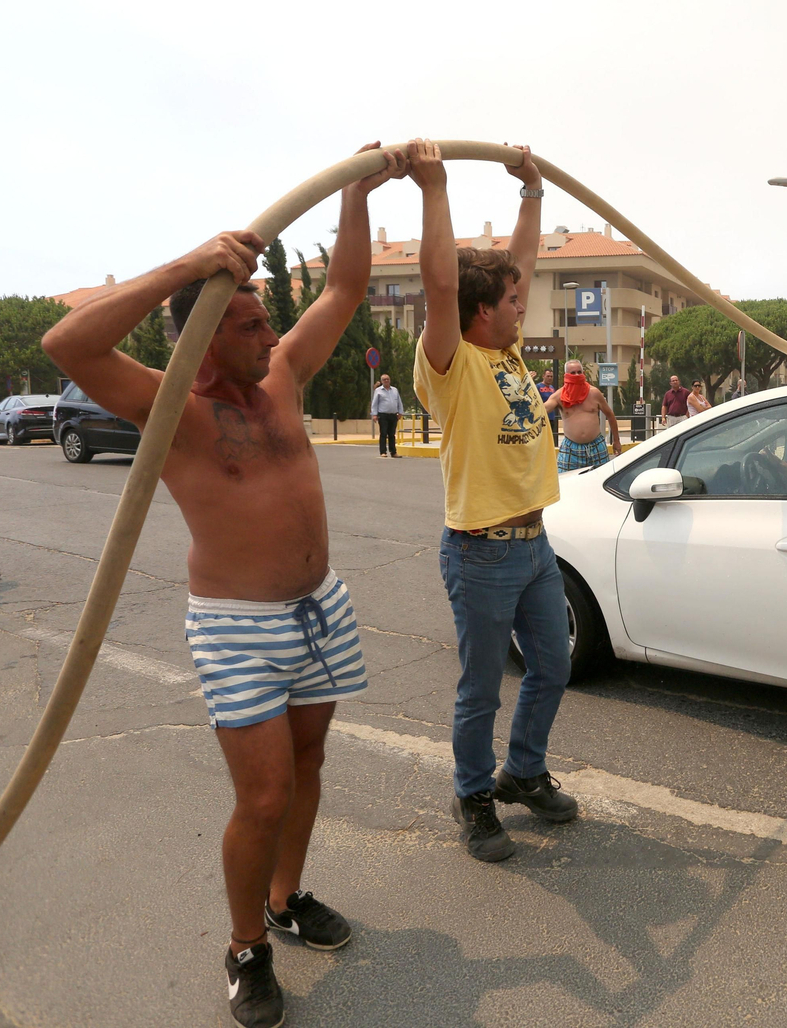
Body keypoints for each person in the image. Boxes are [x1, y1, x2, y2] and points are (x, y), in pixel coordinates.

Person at [40, 143, 405, 1028]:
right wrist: (191, 263)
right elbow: (66, 341)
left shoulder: (280, 376)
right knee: (264, 794)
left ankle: (286, 895)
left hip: (321, 611)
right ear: (203, 330)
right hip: (238, 626)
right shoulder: (170, 405)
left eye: (264, 321)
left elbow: (345, 291)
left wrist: (355, 194)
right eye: (246, 324)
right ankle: (247, 947)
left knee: (310, 763)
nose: (269, 336)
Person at [407, 138, 578, 867]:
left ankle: (524, 771)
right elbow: (441, 284)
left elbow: (523, 263)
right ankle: (473, 794)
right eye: (511, 301)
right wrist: (434, 186)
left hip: (534, 549)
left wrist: (532, 190)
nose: (523, 306)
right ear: (481, 312)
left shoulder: (505, 350)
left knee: (553, 666)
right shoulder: (452, 359)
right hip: (480, 552)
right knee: (481, 690)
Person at [544, 359, 622, 471]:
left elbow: (610, 415)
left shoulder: (594, 393)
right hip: (570, 448)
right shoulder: (558, 396)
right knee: (565, 482)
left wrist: (617, 440)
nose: (577, 375)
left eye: (579, 372)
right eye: (573, 373)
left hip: (596, 445)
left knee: (601, 480)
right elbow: (543, 410)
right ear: (566, 376)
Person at [371, 373, 403, 457]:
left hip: (393, 415)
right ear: (382, 381)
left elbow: (399, 401)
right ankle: (383, 452)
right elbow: (374, 403)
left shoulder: (395, 390)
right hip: (383, 415)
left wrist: (400, 412)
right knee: (383, 433)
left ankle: (393, 452)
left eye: (387, 379)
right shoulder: (378, 391)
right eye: (384, 379)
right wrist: (374, 414)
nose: (386, 381)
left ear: (390, 380)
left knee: (392, 434)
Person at [537, 368, 560, 443]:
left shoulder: (552, 388)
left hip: (551, 417)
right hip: (541, 417)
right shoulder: (538, 387)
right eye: (548, 376)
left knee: (550, 439)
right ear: (543, 376)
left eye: (551, 376)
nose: (550, 378)